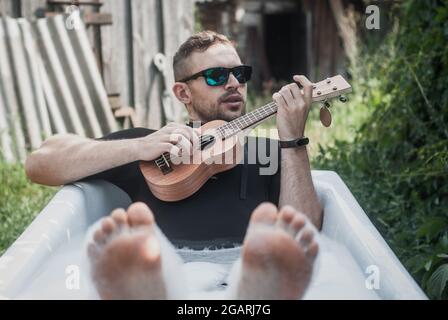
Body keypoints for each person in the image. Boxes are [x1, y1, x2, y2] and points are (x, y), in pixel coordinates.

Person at [25, 31, 323, 299]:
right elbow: (41, 161)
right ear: (183, 93)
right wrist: (139, 147)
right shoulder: (150, 148)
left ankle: (250, 280)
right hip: (170, 267)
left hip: (238, 272)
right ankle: (151, 277)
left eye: (240, 74)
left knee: (269, 260)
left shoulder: (271, 151)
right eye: (217, 76)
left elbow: (306, 236)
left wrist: (293, 140)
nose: (234, 84)